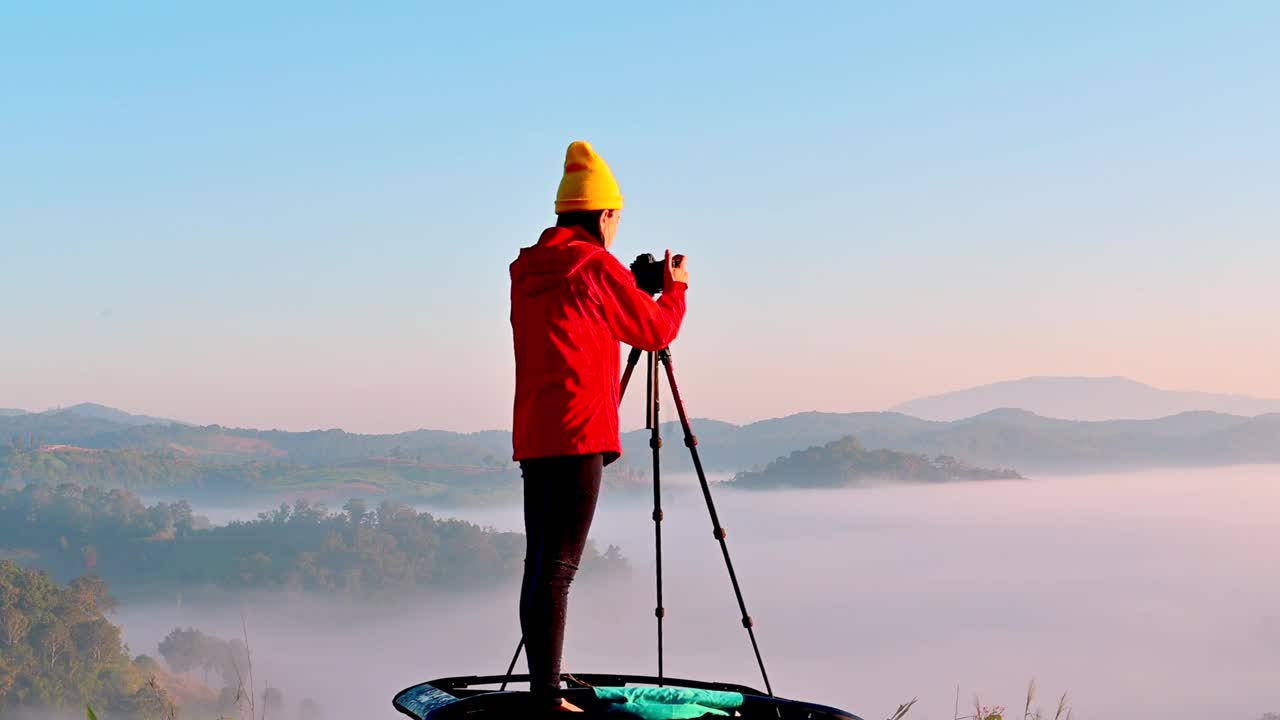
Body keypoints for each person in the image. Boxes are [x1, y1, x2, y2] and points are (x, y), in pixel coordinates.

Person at [509, 140, 690, 712]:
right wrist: (676, 288)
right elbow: (654, 330)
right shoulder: (593, 266)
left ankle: (546, 685)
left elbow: (582, 319)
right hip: (580, 431)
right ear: (604, 214)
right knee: (560, 569)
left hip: (536, 432)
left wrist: (628, 284)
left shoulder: (530, 269)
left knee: (540, 563)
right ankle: (548, 699)